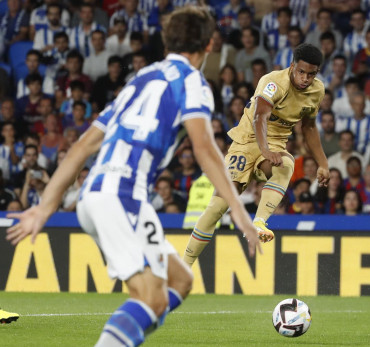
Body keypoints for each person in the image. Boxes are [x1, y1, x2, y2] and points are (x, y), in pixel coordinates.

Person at [6, 7, 261, 347]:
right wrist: (241, 214)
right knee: (149, 298)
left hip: (100, 195)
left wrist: (44, 206)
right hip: (121, 197)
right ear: (209, 44)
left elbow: (83, 146)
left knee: (180, 281)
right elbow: (204, 149)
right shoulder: (192, 81)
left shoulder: (140, 79)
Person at [183, 43, 329, 266]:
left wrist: (322, 163)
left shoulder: (317, 90)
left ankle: (259, 222)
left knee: (286, 165)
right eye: (301, 72)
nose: (306, 79)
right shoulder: (272, 82)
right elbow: (260, 117)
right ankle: (185, 264)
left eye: (311, 74)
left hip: (275, 142)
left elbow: (309, 127)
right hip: (246, 140)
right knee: (217, 208)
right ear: (292, 66)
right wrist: (265, 151)